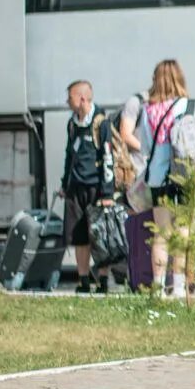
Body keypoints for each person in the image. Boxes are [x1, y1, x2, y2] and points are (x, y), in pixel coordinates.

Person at [140, 60, 195, 298]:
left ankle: (158, 289)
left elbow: (146, 146)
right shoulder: (192, 106)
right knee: (183, 233)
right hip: (187, 177)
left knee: (162, 233)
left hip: (159, 178)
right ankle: (179, 289)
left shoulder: (149, 109)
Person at [61, 81, 116, 294]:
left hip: (96, 188)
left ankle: (103, 279)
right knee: (79, 236)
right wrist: (65, 184)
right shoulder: (72, 123)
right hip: (76, 188)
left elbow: (107, 157)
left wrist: (107, 192)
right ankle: (83, 279)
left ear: (82, 98)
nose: (67, 102)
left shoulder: (100, 122)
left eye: (70, 97)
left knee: (100, 236)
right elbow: (69, 155)